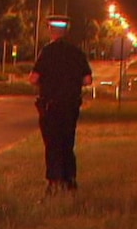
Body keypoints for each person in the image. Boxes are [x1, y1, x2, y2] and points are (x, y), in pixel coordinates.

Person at [29, 15, 93, 195]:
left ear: (51, 30)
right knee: (67, 142)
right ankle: (70, 179)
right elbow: (87, 80)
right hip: (71, 105)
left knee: (52, 143)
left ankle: (54, 180)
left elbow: (34, 78)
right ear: (66, 31)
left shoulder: (47, 52)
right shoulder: (76, 52)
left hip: (51, 105)